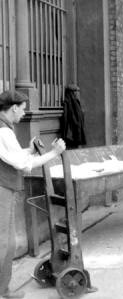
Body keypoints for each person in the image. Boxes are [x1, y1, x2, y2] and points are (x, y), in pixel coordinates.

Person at [0, 90, 66, 298]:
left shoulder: (5, 129)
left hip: (6, 188)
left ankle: (3, 289)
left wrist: (29, 150)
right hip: (1, 190)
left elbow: (14, 156)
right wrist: (54, 154)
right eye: (22, 109)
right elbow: (23, 165)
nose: (23, 114)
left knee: (7, 244)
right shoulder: (3, 131)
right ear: (13, 108)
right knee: (2, 244)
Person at [61, 84, 86, 149]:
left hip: (77, 130)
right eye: (75, 91)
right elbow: (67, 118)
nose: (76, 93)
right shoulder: (67, 102)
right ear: (71, 92)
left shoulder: (76, 101)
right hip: (71, 132)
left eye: (77, 91)